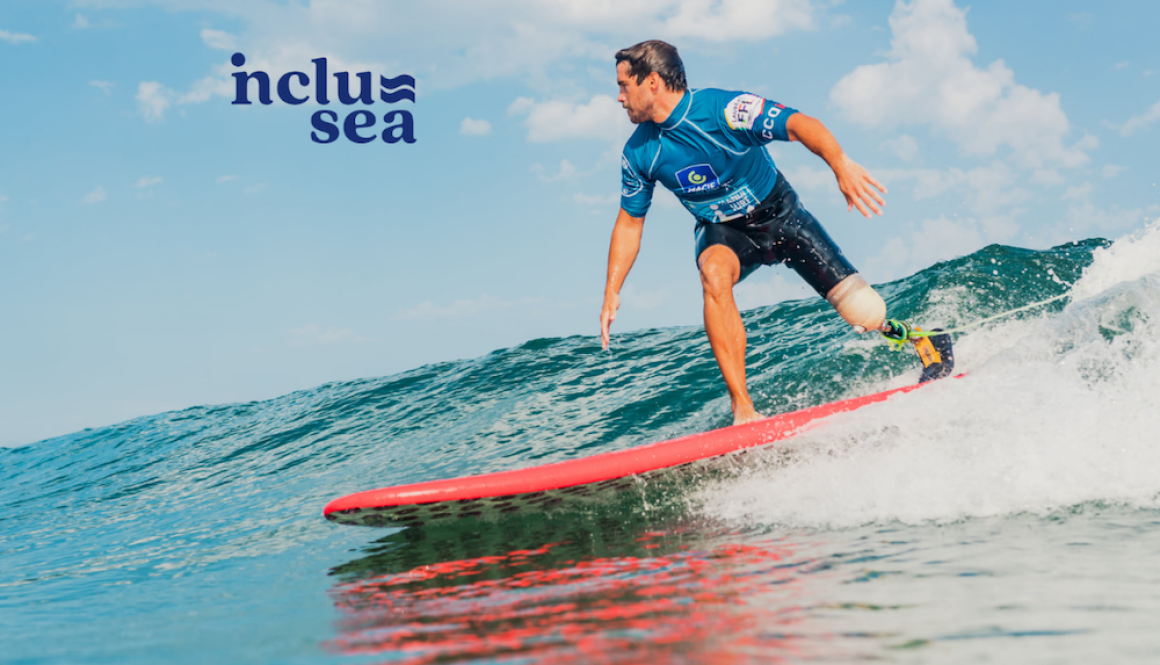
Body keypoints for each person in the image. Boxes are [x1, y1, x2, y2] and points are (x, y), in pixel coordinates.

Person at [599, 40, 949, 426]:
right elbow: (630, 220)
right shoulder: (639, 152)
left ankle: (923, 338)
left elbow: (800, 125)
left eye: (623, 86)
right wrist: (613, 289)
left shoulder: (724, 110)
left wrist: (840, 165)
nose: (619, 97)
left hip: (781, 215)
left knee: (866, 314)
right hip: (725, 232)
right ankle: (743, 409)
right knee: (713, 272)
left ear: (651, 82)